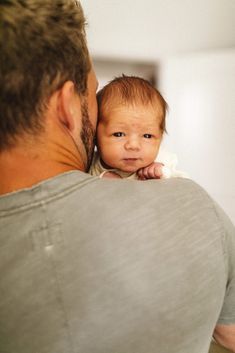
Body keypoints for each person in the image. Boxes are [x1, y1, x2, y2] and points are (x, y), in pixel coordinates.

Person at [0, 1, 234, 353]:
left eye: (147, 136)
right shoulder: (193, 208)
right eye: (92, 96)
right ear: (67, 106)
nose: (133, 146)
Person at [89, 75, 188, 180]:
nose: (133, 145)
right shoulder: (88, 165)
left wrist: (163, 173)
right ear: (95, 136)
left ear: (160, 138)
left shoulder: (162, 160)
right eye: (119, 134)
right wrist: (101, 179)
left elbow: (184, 183)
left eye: (147, 136)